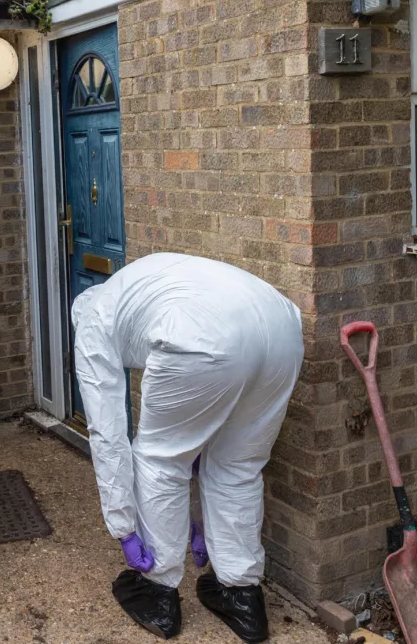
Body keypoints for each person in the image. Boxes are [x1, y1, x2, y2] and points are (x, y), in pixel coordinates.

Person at [72, 252, 305, 641]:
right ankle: (242, 595)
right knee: (238, 465)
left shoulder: (93, 324)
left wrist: (123, 527)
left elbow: (107, 435)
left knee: (158, 460)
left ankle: (157, 589)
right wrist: (197, 516)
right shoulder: (144, 284)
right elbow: (203, 425)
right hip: (283, 330)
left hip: (206, 338)